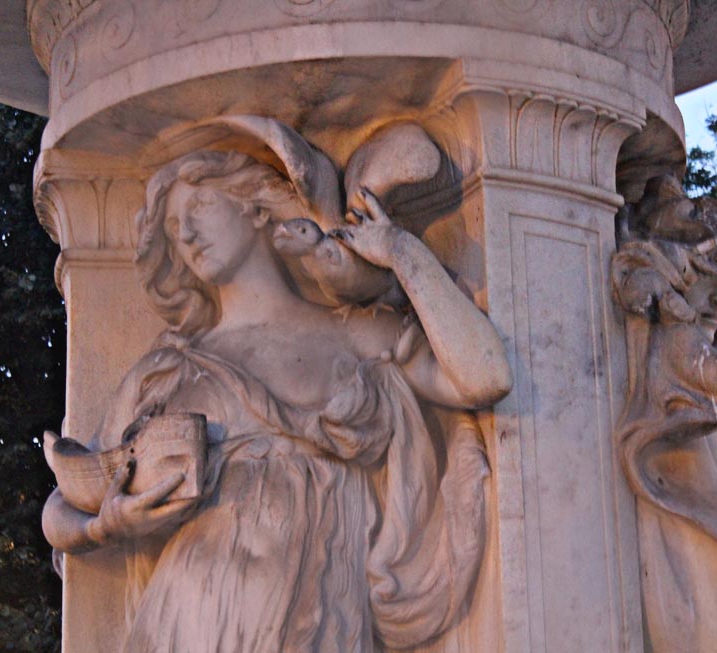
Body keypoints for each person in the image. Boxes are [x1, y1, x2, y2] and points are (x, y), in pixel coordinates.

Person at [42, 149, 512, 652]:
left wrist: (399, 250)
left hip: (317, 615)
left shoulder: (352, 337)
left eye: (199, 206)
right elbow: (63, 504)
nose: (186, 233)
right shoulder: (169, 372)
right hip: (191, 615)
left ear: (257, 208)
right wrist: (105, 524)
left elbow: (482, 378)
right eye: (174, 225)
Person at [612, 175, 717, 653]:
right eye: (713, 273)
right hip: (677, 513)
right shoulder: (673, 332)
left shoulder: (704, 338)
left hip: (694, 514)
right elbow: (703, 369)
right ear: (682, 263)